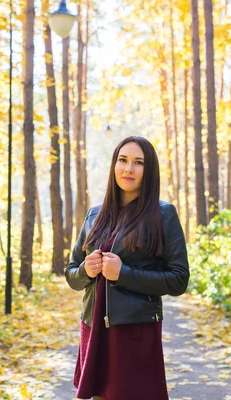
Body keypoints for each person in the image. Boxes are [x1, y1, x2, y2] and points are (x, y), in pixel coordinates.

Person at [65, 136, 190, 400]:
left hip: (134, 332)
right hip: (93, 328)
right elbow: (71, 274)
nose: (128, 169)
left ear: (149, 170)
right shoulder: (94, 215)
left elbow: (179, 280)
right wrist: (86, 272)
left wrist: (124, 274)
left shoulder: (162, 214)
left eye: (138, 162)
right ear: (114, 165)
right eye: (123, 160)